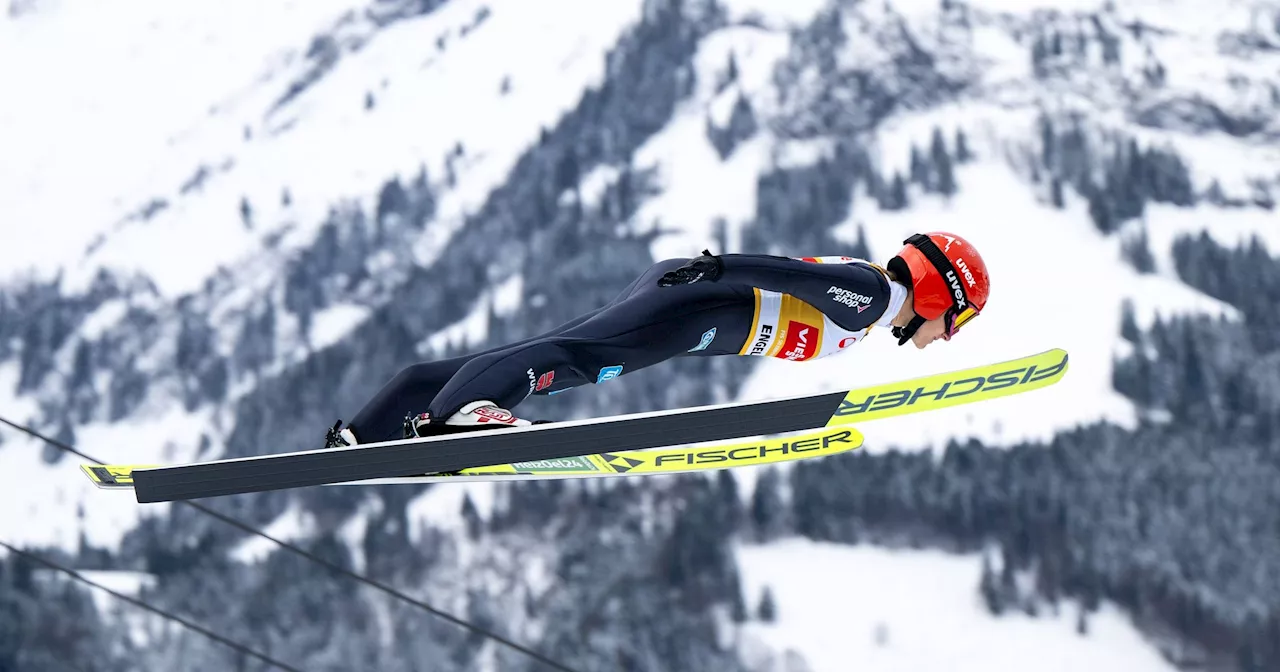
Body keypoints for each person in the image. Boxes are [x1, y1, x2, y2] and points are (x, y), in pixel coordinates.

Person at [324, 231, 991, 448]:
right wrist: (721, 268)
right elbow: (788, 276)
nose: (944, 339)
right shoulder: (876, 294)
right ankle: (458, 416)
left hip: (695, 309)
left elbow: (793, 284)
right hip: (699, 305)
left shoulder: (874, 302)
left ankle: (380, 423)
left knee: (556, 348)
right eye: (954, 322)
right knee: (576, 358)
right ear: (940, 295)